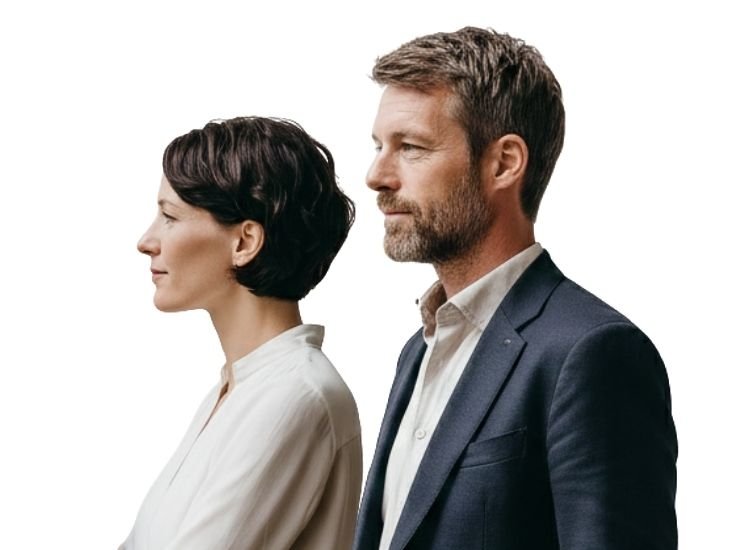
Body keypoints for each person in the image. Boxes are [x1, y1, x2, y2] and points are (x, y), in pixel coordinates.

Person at [354, 27, 677, 550]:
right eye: (378, 146)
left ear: (504, 163)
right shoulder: (418, 351)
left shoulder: (591, 353)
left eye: (410, 147)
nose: (376, 175)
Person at [120, 117, 361, 550]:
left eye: (169, 216)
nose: (146, 240)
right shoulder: (239, 388)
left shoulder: (294, 394)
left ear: (245, 242)